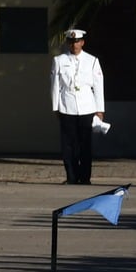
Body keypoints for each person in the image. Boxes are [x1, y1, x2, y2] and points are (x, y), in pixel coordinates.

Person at [51, 29, 106, 185]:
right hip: (67, 105)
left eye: (77, 41)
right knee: (69, 144)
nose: (74, 44)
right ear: (68, 43)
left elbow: (98, 86)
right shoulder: (59, 60)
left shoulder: (92, 60)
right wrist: (56, 106)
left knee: (85, 144)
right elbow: (55, 85)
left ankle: (85, 177)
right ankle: (71, 176)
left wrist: (99, 109)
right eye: (71, 42)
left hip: (87, 107)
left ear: (82, 42)